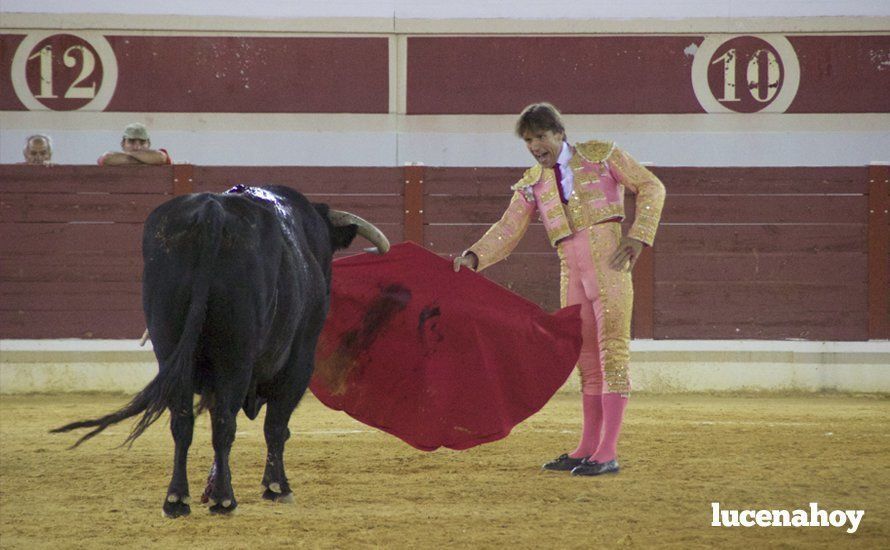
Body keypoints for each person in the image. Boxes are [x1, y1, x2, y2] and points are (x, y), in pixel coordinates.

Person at [453, 102, 665, 477]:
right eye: (528, 140)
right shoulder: (532, 182)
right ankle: (588, 447)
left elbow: (651, 186)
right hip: (572, 274)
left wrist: (638, 236)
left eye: (540, 137)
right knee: (585, 361)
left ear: (559, 133)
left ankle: (608, 451)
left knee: (612, 354)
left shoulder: (601, 155)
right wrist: (473, 257)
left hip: (610, 269)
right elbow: (508, 228)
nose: (535, 146)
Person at [98, 123, 171, 166]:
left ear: (149, 144)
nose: (137, 147)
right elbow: (106, 158)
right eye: (131, 141)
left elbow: (161, 157)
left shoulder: (160, 154)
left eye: (142, 142)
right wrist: (144, 160)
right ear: (122, 144)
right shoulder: (113, 156)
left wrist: (129, 155)